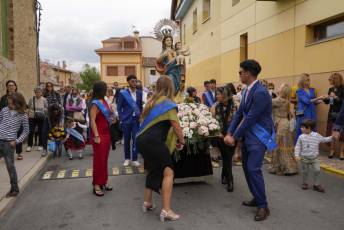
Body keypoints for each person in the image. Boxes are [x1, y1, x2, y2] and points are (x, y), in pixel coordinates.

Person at [224, 59, 275, 221]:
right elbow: (239, 114)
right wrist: (230, 132)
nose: (239, 75)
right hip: (248, 135)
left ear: (248, 73)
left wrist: (234, 136)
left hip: (258, 137)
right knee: (247, 168)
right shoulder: (247, 90)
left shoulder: (260, 92)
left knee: (253, 169)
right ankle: (257, 197)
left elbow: (251, 118)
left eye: (240, 72)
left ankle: (263, 206)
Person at [136, 76, 185, 222]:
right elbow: (175, 125)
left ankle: (147, 202)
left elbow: (144, 121)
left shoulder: (151, 102)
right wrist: (182, 140)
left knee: (154, 169)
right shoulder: (168, 104)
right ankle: (166, 210)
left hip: (142, 140)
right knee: (168, 172)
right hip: (154, 141)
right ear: (170, 87)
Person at [0, 93, 29, 197]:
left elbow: (26, 131)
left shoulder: (23, 115)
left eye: (11, 104)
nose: (9, 105)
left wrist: (16, 141)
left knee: (10, 166)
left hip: (9, 143)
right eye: (8, 103)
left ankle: (14, 189)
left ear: (17, 103)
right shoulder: (4, 110)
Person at [89, 81, 114, 196]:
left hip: (106, 133)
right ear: (101, 89)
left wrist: (112, 117)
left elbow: (106, 116)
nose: (107, 90)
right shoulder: (95, 103)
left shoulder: (104, 101)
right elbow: (92, 120)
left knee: (104, 160)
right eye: (106, 88)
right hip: (99, 134)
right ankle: (96, 184)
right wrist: (96, 135)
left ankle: (104, 181)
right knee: (98, 160)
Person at [211, 86, 237, 192]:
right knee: (226, 157)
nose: (216, 96)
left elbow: (237, 120)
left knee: (228, 157)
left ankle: (224, 175)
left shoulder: (235, 105)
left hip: (232, 135)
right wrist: (219, 133)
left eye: (218, 94)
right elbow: (213, 121)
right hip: (220, 136)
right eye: (216, 94)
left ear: (225, 95)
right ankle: (230, 179)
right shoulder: (216, 106)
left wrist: (231, 135)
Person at [295, 119, 332, 193]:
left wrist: (332, 137)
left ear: (308, 128)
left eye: (303, 127)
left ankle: (316, 185)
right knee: (305, 171)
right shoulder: (301, 137)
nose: (301, 128)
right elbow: (297, 146)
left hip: (315, 158)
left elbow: (324, 139)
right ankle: (305, 183)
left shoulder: (316, 135)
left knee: (317, 170)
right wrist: (296, 155)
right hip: (304, 158)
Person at [269, 84, 298, 175]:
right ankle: (289, 166)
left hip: (281, 125)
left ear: (283, 90)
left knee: (279, 146)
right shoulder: (286, 101)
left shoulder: (279, 101)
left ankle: (282, 167)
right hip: (285, 124)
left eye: (280, 88)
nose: (279, 89)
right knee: (285, 145)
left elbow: (268, 102)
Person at [117, 75, 143, 167]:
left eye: (135, 81)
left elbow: (140, 106)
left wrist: (141, 116)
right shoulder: (123, 93)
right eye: (132, 81)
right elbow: (119, 108)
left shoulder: (140, 93)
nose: (134, 83)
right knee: (127, 140)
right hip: (126, 120)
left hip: (136, 120)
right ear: (128, 82)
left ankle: (134, 159)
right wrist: (121, 118)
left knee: (136, 140)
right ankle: (127, 158)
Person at [0, 80, 24, 160]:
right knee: (5, 138)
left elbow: (24, 106)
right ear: (7, 87)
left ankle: (19, 153)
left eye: (12, 85)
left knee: (18, 135)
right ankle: (4, 153)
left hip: (17, 120)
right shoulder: (3, 98)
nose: (11, 87)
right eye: (9, 85)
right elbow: (1, 109)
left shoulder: (19, 96)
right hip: (6, 122)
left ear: (15, 87)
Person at [322, 73, 344, 160]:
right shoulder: (330, 89)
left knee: (342, 133)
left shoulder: (343, 88)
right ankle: (332, 150)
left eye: (330, 80)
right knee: (332, 131)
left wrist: (336, 97)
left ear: (335, 80)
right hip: (332, 113)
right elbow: (330, 102)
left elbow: (342, 101)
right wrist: (325, 99)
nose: (329, 81)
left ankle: (342, 152)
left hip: (341, 113)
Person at [295, 74, 322, 142]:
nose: (309, 81)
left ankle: (311, 147)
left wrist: (323, 100)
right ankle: (300, 147)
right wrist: (319, 98)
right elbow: (306, 101)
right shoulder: (299, 91)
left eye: (309, 80)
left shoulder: (312, 90)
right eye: (307, 80)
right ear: (303, 81)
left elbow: (314, 102)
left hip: (312, 111)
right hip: (301, 112)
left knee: (312, 128)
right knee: (301, 128)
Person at [42, 82, 62, 156]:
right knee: (44, 132)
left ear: (52, 86)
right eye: (47, 86)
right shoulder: (44, 94)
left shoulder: (56, 93)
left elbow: (60, 104)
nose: (49, 87)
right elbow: (43, 105)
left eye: (50, 86)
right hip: (47, 116)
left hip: (56, 116)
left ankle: (58, 146)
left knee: (57, 132)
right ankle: (44, 149)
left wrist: (56, 108)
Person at [27, 87, 48, 153]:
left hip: (41, 117)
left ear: (41, 93)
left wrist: (42, 111)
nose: (38, 93)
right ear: (35, 93)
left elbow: (46, 108)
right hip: (32, 117)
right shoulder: (31, 99)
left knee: (40, 131)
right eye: (36, 92)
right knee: (30, 131)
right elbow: (29, 107)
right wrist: (29, 114)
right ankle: (29, 145)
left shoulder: (44, 99)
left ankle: (40, 144)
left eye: (39, 92)